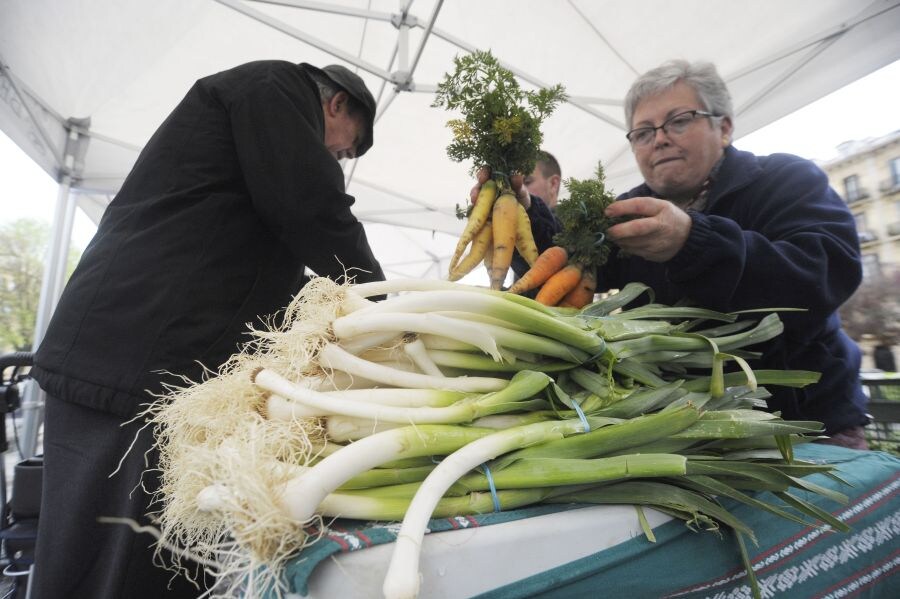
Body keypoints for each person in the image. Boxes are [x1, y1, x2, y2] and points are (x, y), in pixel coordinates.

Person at [28, 60, 386, 598]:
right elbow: (310, 207)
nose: (332, 160)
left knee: (107, 554)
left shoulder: (255, 118)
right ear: (337, 104)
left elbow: (256, 243)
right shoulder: (275, 87)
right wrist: (379, 301)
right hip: (133, 363)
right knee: (108, 554)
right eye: (339, 149)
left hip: (137, 361)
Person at [601, 59, 869, 448]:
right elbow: (574, 260)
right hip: (684, 433)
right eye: (643, 132)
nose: (658, 139)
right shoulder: (629, 208)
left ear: (723, 127)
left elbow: (825, 272)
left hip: (805, 426)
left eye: (678, 121)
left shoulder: (785, 180)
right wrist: (526, 212)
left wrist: (693, 243)